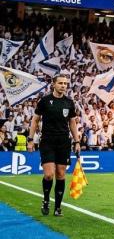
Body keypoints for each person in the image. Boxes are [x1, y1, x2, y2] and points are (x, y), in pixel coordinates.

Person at [27, 75, 81, 217]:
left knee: (61, 174)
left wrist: (77, 141)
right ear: (54, 84)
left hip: (63, 142)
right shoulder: (45, 101)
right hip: (47, 141)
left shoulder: (69, 102)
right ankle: (46, 200)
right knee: (49, 175)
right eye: (60, 83)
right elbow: (35, 120)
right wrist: (30, 139)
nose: (63, 85)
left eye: (65, 83)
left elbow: (72, 123)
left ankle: (57, 208)